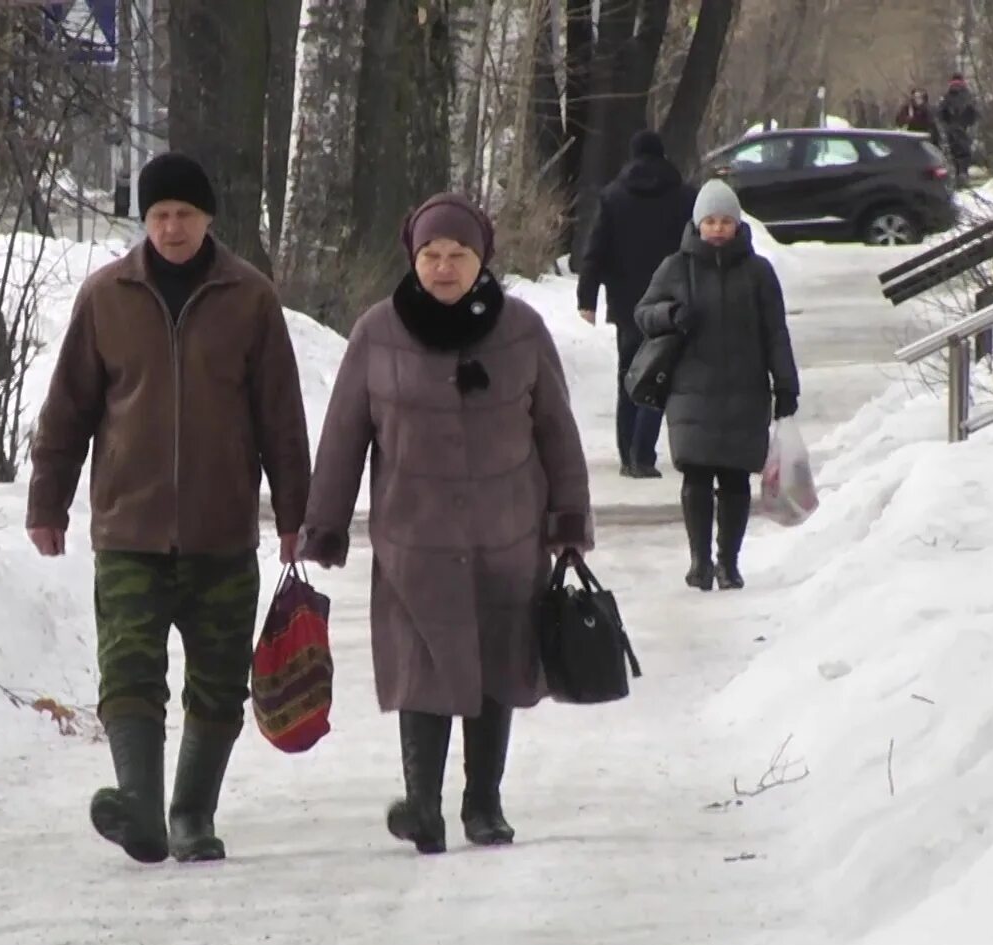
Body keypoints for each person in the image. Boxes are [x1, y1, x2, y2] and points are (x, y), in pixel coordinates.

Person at [25, 151, 313, 865]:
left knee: (217, 682)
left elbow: (281, 416)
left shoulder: (249, 298)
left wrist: (294, 513)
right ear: (143, 220)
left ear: (208, 218)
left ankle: (190, 815)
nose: (173, 227)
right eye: (159, 215)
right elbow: (68, 412)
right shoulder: (106, 297)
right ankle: (142, 813)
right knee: (129, 673)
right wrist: (48, 503)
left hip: (221, 533)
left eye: (185, 214)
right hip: (130, 527)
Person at [300, 193, 593, 855]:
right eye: (430, 255)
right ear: (413, 257)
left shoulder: (521, 330)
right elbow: (344, 434)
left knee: (497, 669)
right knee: (421, 668)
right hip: (414, 540)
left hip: (508, 534)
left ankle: (483, 803)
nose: (442, 267)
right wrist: (325, 522)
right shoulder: (378, 332)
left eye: (456, 255)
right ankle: (424, 806)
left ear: (480, 259)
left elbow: (557, 433)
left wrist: (567, 519)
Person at [635, 179, 799, 593]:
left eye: (726, 221)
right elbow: (644, 314)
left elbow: (775, 332)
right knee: (695, 474)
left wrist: (785, 385)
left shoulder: (759, 273)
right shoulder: (675, 267)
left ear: (738, 223)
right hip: (691, 390)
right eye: (710, 220)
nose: (718, 228)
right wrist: (671, 314)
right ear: (698, 223)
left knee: (735, 479)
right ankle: (699, 562)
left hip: (745, 390)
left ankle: (729, 563)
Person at [577, 130, 699, 480]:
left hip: (627, 303)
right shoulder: (685, 197)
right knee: (658, 375)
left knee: (629, 376)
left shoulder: (613, 197)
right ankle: (643, 454)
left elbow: (595, 251)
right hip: (670, 302)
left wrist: (587, 299)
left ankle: (626, 453)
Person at [937, 74, 980, 188]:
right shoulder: (968, 95)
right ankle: (963, 174)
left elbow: (940, 114)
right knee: (965, 154)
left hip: (952, 130)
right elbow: (975, 113)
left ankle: (958, 175)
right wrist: (970, 125)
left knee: (954, 154)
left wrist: (945, 126)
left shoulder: (947, 96)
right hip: (964, 130)